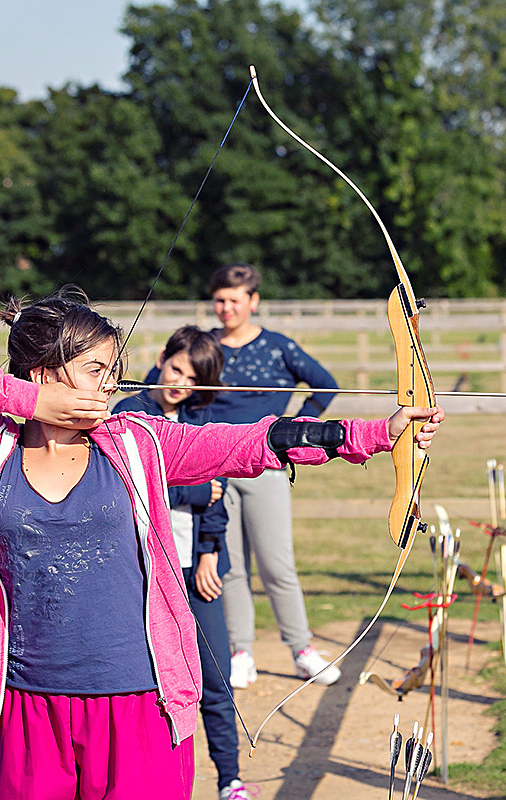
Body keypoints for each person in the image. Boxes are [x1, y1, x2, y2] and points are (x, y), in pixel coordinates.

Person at [0, 286, 444, 800]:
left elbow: (251, 443)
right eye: (96, 369)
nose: (112, 384)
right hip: (26, 702)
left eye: (115, 370)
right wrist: (28, 401)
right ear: (43, 372)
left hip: (139, 699)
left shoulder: (138, 442)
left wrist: (376, 433)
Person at [150, 263, 341, 689]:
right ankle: (241, 651)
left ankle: (302, 648)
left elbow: (325, 384)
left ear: (253, 301)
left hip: (264, 466)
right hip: (213, 468)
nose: (226, 308)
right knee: (230, 566)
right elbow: (158, 382)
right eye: (219, 300)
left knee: (277, 563)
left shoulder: (277, 347)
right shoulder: (203, 347)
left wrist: (293, 431)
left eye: (235, 300)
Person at [112, 326, 249, 800]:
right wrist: (194, 489)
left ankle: (230, 780)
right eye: (176, 370)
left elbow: (219, 491)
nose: (180, 384)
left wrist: (210, 550)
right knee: (151, 685)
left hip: (196, 571)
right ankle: (154, 780)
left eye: (193, 379)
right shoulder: (128, 414)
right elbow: (130, 487)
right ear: (161, 359)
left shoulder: (199, 417)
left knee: (216, 678)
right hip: (144, 574)